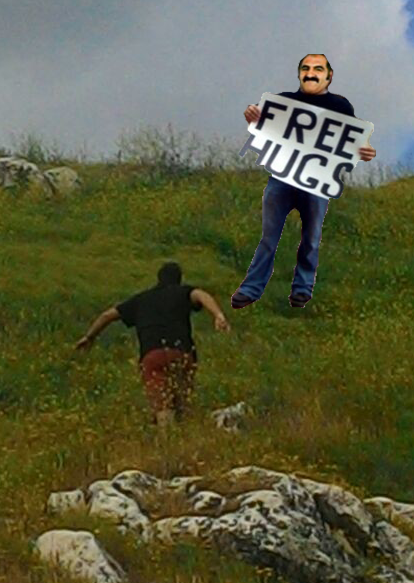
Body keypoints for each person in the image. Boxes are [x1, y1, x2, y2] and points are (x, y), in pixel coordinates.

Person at [233, 53, 376, 309]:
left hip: (317, 182)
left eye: (318, 69)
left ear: (328, 76)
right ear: (299, 73)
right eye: (305, 68)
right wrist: (253, 117)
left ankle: (302, 288)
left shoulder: (341, 106)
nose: (311, 73)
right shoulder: (284, 101)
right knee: (268, 236)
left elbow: (351, 140)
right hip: (281, 178)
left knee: (311, 236)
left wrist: (363, 150)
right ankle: (251, 288)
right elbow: (263, 127)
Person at [76, 261, 230, 429]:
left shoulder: (142, 299)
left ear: (158, 278)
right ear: (179, 279)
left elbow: (107, 315)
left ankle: (168, 445)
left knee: (163, 407)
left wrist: (89, 337)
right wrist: (218, 315)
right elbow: (201, 295)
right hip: (182, 354)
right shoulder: (182, 292)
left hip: (152, 356)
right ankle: (186, 439)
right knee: (183, 403)